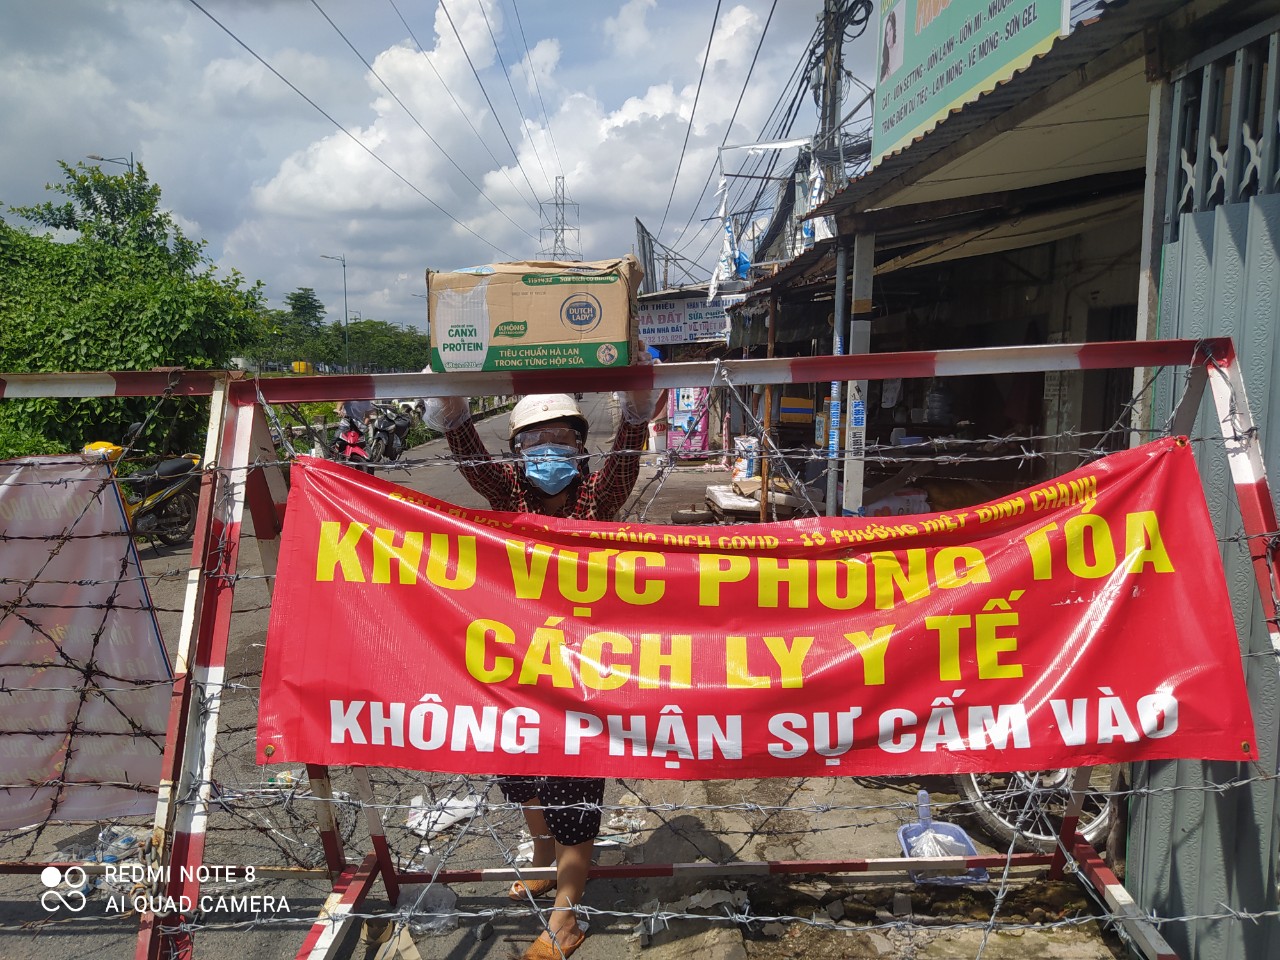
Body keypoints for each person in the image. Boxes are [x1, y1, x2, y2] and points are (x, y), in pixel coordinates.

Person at [422, 371, 663, 960]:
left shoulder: (597, 498)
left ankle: (565, 917)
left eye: (561, 438)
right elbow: (470, 457)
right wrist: (451, 406)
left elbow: (626, 456)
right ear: (517, 450)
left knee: (574, 786)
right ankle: (540, 857)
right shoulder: (510, 494)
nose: (548, 451)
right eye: (534, 440)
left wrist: (635, 410)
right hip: (519, 664)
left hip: (584, 668)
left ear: (581, 446)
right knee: (522, 773)